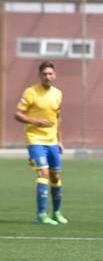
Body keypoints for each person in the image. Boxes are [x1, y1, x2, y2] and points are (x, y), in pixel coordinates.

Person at [14, 61, 69, 225]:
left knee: (56, 176)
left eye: (50, 73)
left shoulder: (58, 94)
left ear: (55, 75)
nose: (47, 76)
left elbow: (57, 117)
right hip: (35, 139)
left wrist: (60, 140)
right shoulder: (30, 92)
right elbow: (18, 114)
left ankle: (57, 212)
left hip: (52, 141)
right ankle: (41, 214)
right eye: (44, 74)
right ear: (39, 76)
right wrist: (35, 121)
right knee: (43, 173)